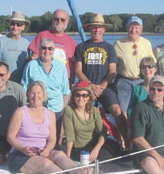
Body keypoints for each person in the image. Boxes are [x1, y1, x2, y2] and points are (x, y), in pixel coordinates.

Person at [6, 81, 91, 174]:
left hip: (41, 150)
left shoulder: (50, 114)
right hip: (20, 154)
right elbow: (10, 137)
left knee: (59, 154)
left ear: (44, 95)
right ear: (27, 94)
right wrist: (23, 149)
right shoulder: (20, 112)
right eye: (32, 93)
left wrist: (47, 150)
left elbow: (52, 139)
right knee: (44, 163)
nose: (36, 96)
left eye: (39, 93)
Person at [73, 13, 128, 145]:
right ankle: (81, 141)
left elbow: (113, 71)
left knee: (117, 111)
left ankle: (126, 140)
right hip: (87, 87)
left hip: (106, 87)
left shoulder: (109, 48)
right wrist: (91, 86)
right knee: (82, 111)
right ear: (90, 29)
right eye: (94, 27)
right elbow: (77, 70)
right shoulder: (81, 47)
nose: (97, 30)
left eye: (99, 27)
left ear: (104, 30)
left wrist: (102, 85)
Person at [114, 16, 156, 114]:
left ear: (141, 29)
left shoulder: (146, 43)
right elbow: (112, 65)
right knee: (123, 112)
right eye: (131, 27)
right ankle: (126, 129)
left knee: (144, 110)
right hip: (124, 82)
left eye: (136, 27)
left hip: (142, 82)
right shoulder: (118, 43)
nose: (134, 30)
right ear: (127, 28)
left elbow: (152, 63)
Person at [63, 81, 113, 163]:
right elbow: (70, 136)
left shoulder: (94, 110)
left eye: (84, 95)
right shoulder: (69, 110)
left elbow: (103, 132)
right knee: (95, 158)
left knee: (113, 147)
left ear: (89, 97)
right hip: (79, 149)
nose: (81, 98)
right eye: (77, 95)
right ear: (73, 96)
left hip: (94, 145)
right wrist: (68, 158)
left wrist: (96, 149)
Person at [21, 38, 70, 117]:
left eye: (50, 48)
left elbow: (65, 91)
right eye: (44, 48)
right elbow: (24, 87)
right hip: (36, 109)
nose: (47, 51)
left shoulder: (61, 66)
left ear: (53, 51)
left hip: (57, 110)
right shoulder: (31, 65)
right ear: (39, 50)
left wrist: (63, 108)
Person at [28, 9, 77, 79]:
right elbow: (34, 57)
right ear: (52, 20)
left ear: (67, 22)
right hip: (42, 79)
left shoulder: (72, 41)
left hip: (62, 81)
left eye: (62, 20)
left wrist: (71, 83)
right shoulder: (41, 35)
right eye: (56, 19)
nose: (59, 22)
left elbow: (72, 66)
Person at [0, 11, 30, 83]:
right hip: (3, 84)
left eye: (19, 24)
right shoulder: (0, 41)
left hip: (21, 85)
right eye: (12, 23)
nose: (15, 27)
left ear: (23, 27)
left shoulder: (26, 43)